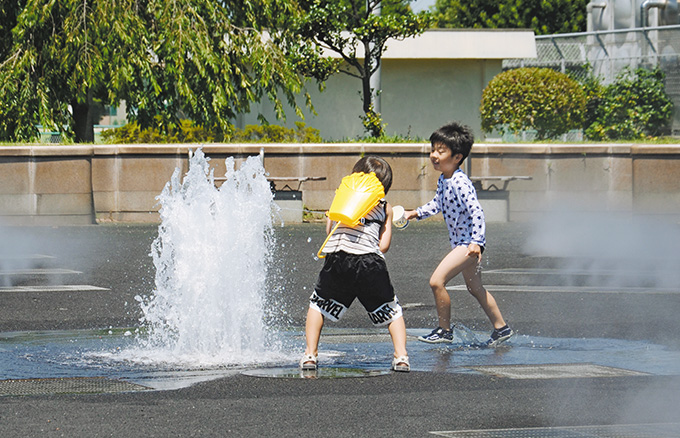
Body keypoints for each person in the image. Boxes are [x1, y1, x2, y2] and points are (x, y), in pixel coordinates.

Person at [403, 122, 513, 347]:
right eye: (433, 149)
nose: (434, 155)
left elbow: (477, 211)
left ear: (457, 157)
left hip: (467, 244)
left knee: (436, 281)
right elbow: (438, 204)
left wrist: (477, 242)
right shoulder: (444, 178)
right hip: (463, 244)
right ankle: (502, 328)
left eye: (441, 151)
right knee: (475, 288)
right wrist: (415, 213)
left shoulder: (460, 182)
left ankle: (444, 330)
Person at [300, 156, 409, 372]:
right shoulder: (385, 207)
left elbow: (329, 231)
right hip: (369, 261)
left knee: (318, 304)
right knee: (392, 310)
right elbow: (383, 246)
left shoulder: (340, 199)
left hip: (337, 258)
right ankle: (401, 356)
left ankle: (310, 355)